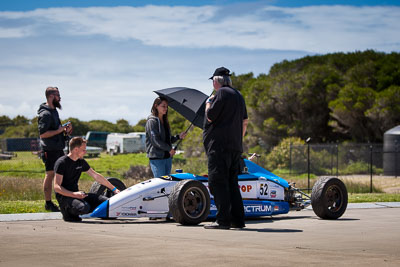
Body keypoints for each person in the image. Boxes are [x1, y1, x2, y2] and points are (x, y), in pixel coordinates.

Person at [203, 67, 249, 230]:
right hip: (235, 147)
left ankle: (222, 220)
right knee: (231, 183)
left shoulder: (221, 94)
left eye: (213, 81)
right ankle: (238, 220)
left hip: (220, 147)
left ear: (217, 81)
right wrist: (237, 139)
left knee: (217, 182)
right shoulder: (238, 95)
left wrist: (208, 104)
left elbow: (210, 116)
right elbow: (245, 122)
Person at [54, 137, 120, 222]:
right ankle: (67, 212)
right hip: (65, 196)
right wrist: (74, 194)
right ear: (76, 149)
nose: (85, 152)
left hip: (77, 195)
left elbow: (96, 176)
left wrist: (114, 189)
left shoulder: (81, 161)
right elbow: (56, 187)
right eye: (84, 150)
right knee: (84, 207)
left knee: (108, 203)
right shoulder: (62, 163)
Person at [37, 86, 72, 212]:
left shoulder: (54, 111)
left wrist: (65, 131)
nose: (60, 98)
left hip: (58, 148)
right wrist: (59, 130)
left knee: (61, 174)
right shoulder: (45, 114)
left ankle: (63, 200)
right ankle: (48, 203)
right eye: (58, 95)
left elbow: (56, 130)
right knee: (50, 174)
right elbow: (43, 134)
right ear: (51, 96)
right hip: (49, 150)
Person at [145, 97, 187, 177]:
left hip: (167, 158)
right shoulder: (152, 121)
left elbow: (167, 139)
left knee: (167, 184)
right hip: (157, 158)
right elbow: (155, 141)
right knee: (160, 184)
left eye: (167, 106)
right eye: (163, 106)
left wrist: (178, 137)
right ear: (156, 106)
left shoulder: (164, 121)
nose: (166, 108)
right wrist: (169, 149)